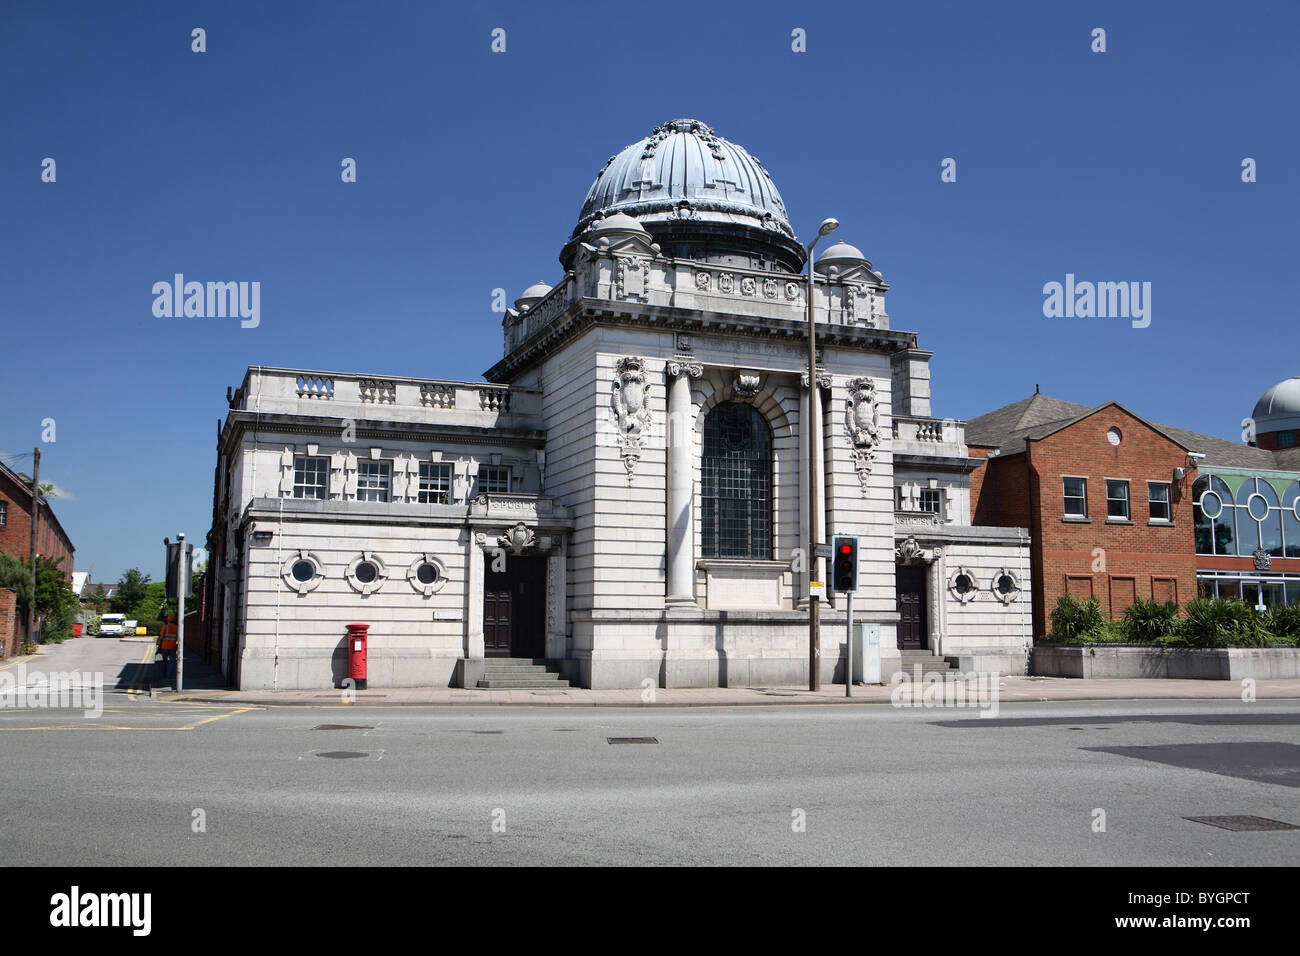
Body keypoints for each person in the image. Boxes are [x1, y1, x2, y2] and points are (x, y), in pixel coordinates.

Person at [157, 614, 178, 682]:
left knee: (164, 661)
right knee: (172, 661)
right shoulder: (176, 627)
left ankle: (164, 674)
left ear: (167, 620)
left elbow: (161, 636)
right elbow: (178, 637)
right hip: (173, 647)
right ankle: (169, 675)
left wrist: (158, 644)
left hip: (164, 647)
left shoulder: (165, 627)